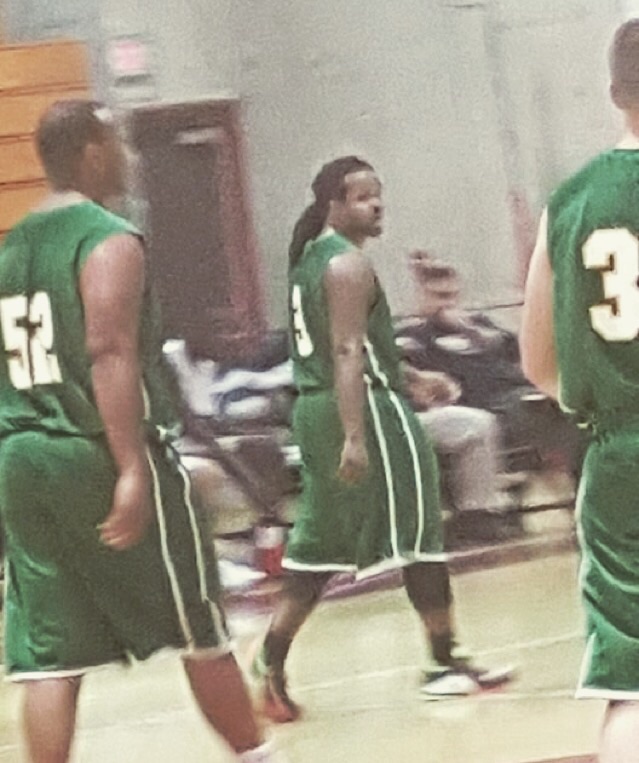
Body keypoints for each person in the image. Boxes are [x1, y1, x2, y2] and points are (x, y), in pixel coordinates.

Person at [0, 100, 276, 763]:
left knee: (49, 653)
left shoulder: (10, 248)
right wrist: (129, 466)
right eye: (117, 143)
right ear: (91, 151)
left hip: (22, 453)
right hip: (95, 445)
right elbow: (108, 349)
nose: (127, 157)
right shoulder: (109, 237)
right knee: (197, 620)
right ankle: (256, 756)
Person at [251, 155, 513, 722]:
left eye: (378, 194)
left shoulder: (310, 261)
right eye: (362, 196)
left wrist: (413, 377)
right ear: (334, 205)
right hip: (363, 409)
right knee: (420, 532)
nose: (376, 205)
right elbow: (348, 351)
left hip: (321, 406)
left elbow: (350, 345)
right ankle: (443, 662)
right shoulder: (347, 264)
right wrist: (355, 432)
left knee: (322, 543)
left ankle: (269, 660)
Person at [520, 19, 639, 763]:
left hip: (619, 456)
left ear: (614, 92)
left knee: (631, 690)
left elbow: (538, 363)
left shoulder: (568, 200)